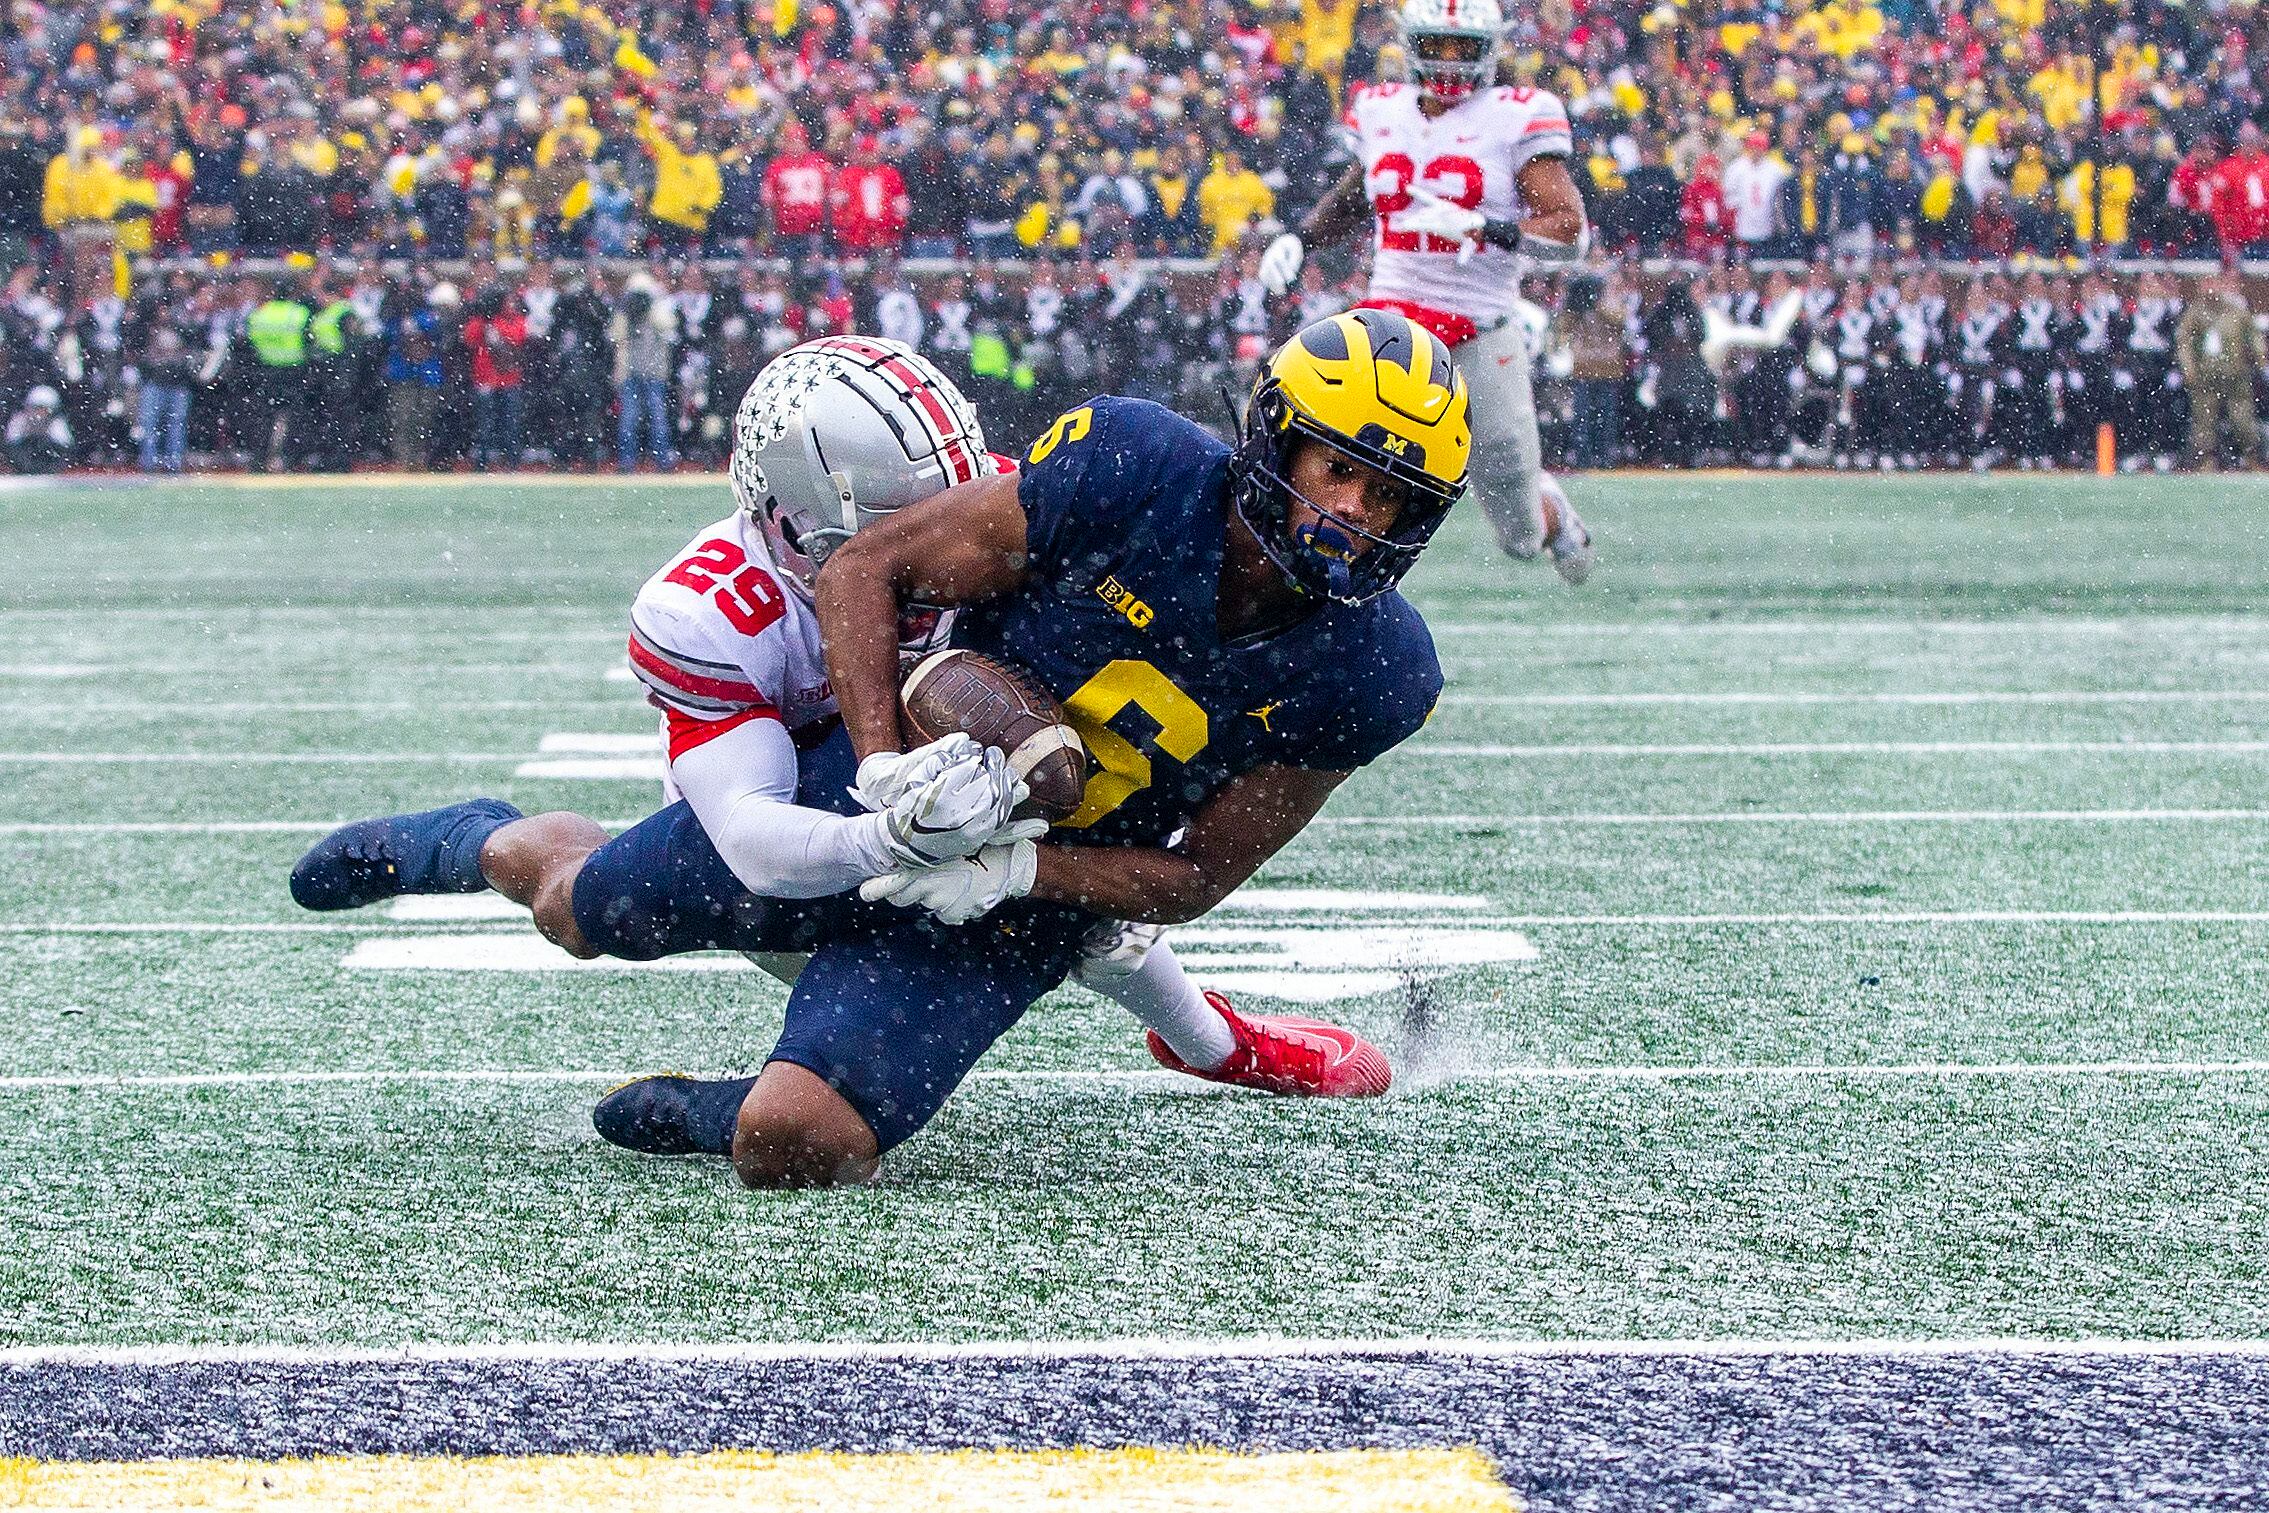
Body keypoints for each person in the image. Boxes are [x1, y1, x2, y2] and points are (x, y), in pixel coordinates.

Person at [289, 309, 1457, 1187]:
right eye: (1337, 470)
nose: (1353, 513)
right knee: (580, 912)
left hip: (1015, 904)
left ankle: (735, 1103)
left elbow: (1195, 876)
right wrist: (885, 772)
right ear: (1274, 442)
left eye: (1390, 499)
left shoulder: (1376, 671)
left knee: (792, 1147)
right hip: (872, 771)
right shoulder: (1140, 466)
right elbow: (866, 564)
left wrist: (1009, 872)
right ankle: (469, 839)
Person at [1258, 0, 1593, 585]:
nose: (1448, 60)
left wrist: (1488, 228)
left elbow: (1569, 233)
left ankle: (1551, 514)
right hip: (1389, 315)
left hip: (1477, 323)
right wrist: (1301, 237)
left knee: (1518, 532)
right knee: (1302, 416)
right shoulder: (1382, 107)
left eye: (1463, 47)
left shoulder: (1518, 114)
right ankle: (1303, 561)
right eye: (1436, 44)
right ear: (1411, 43)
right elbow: (1363, 192)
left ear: (1491, 49)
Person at [2175, 273, 2263, 471]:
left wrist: (2260, 359)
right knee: (2204, 421)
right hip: (2205, 376)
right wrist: (2189, 368)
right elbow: (2184, 342)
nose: (2210, 288)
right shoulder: (2194, 313)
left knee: (2242, 419)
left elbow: (2253, 335)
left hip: (2235, 373)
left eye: (2213, 282)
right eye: (2205, 283)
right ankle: (2205, 460)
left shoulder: (2236, 311)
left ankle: (2251, 457)